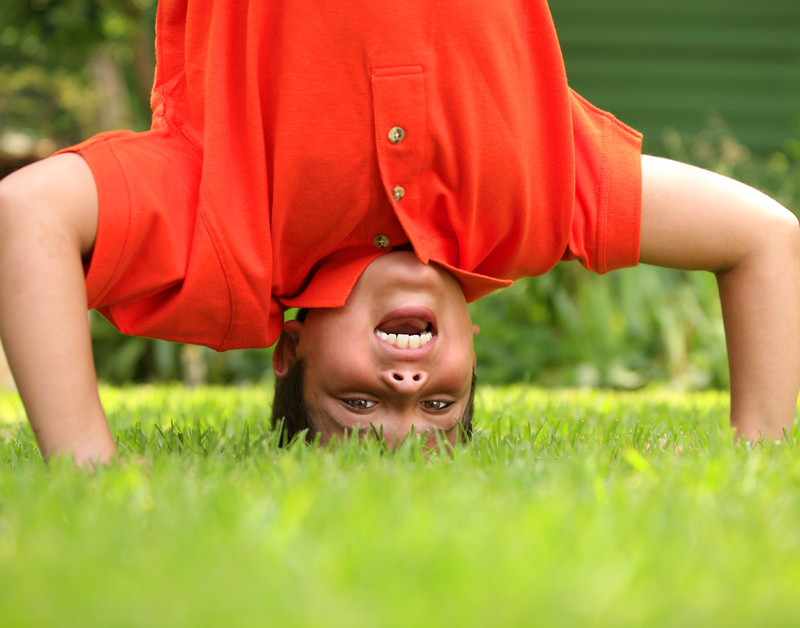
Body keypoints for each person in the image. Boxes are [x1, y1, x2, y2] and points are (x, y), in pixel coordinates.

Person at [0, 0, 798, 465]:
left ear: (290, 350)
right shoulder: (536, 206)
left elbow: (26, 212)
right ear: (471, 345)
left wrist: (89, 469)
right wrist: (756, 461)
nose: (404, 393)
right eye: (443, 407)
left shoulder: (225, 232)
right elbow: (766, 238)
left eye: (355, 403)